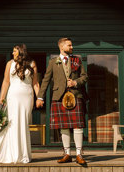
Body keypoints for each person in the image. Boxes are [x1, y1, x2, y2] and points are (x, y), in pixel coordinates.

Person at [36, 37, 88, 165]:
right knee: (63, 126)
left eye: (71, 45)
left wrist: (75, 82)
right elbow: (46, 80)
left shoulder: (77, 60)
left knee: (77, 125)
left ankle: (79, 154)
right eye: (69, 45)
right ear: (61, 46)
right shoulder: (53, 62)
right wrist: (40, 97)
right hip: (59, 97)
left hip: (76, 95)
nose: (72, 47)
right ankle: (67, 154)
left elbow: (85, 77)